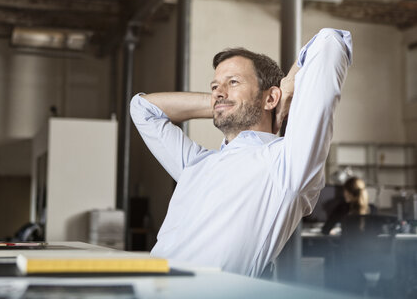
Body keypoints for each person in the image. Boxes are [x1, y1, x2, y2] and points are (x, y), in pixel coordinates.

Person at [130, 28, 353, 277]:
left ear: (271, 99)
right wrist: (222, 103)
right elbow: (142, 108)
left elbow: (331, 42)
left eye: (233, 82)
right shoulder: (196, 163)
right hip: (144, 285)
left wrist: (286, 86)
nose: (218, 91)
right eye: (215, 86)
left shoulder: (286, 164)